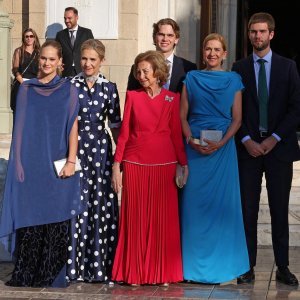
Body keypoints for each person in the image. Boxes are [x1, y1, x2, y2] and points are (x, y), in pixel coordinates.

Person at [0, 40, 83, 287]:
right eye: (43, 59)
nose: (46, 63)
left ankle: (50, 273)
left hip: (58, 163)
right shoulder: (26, 89)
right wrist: (18, 164)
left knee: (55, 216)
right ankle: (27, 273)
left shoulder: (69, 89)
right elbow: (20, 128)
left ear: (60, 62)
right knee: (30, 216)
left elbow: (72, 127)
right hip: (31, 163)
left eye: (51, 59)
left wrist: (71, 160)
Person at [232, 12, 300, 286]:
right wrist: (247, 139)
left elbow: (296, 109)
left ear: (271, 34)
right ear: (248, 35)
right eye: (253, 32)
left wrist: (274, 138)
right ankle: (247, 266)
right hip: (248, 151)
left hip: (278, 150)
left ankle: (282, 266)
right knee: (247, 210)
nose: (257, 36)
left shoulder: (287, 67)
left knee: (279, 209)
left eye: (262, 32)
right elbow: (234, 109)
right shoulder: (239, 67)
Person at [111, 50, 188, 285]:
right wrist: (117, 166)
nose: (141, 75)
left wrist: (183, 164)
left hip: (164, 165)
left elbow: (176, 134)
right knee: (135, 221)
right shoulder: (133, 96)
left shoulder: (172, 98)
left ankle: (163, 272)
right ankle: (133, 272)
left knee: (162, 222)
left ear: (158, 73)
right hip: (135, 164)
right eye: (139, 71)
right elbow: (124, 134)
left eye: (146, 71)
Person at [180, 33, 249, 284]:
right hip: (195, 150)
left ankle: (224, 267)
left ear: (225, 53)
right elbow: (182, 116)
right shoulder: (192, 78)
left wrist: (222, 142)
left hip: (223, 151)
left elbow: (237, 118)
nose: (212, 53)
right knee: (193, 209)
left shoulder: (234, 80)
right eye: (208, 49)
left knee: (223, 209)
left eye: (217, 49)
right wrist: (190, 140)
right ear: (202, 52)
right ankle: (191, 268)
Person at [67, 39, 121, 283]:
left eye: (93, 59)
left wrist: (120, 160)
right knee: (76, 204)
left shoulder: (110, 88)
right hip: (75, 150)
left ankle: (100, 267)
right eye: (84, 59)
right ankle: (74, 267)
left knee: (99, 205)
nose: (87, 64)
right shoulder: (70, 85)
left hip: (101, 153)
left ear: (101, 61)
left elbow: (117, 127)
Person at [127, 18, 197, 93]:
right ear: (154, 38)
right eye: (161, 34)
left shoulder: (189, 68)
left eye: (170, 35)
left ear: (176, 39)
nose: (165, 39)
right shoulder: (138, 67)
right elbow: (131, 97)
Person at [55, 7, 94, 77]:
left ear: (77, 17)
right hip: (66, 72)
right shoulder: (60, 35)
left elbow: (93, 52)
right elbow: (56, 52)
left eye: (69, 18)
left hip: (83, 70)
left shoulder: (87, 33)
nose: (66, 21)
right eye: (65, 18)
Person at [11, 28, 40, 113]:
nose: (29, 38)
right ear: (23, 38)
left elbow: (42, 69)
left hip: (35, 84)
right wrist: (23, 82)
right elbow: (15, 69)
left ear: (35, 38)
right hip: (21, 84)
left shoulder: (39, 52)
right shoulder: (19, 51)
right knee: (20, 111)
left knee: (33, 111)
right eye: (26, 36)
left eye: (31, 36)